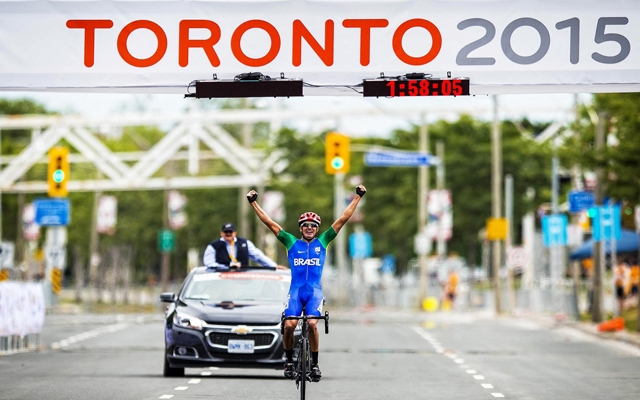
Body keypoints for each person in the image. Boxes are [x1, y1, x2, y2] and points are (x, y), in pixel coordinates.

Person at [246, 185, 367, 382]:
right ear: (300, 228)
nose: (309, 228)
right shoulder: (291, 242)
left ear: (317, 229)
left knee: (312, 324)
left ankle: (315, 364)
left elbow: (343, 219)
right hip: (295, 291)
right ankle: (288, 361)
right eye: (305, 225)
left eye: (312, 225)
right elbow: (269, 222)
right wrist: (253, 203)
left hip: (314, 292)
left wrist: (357, 197)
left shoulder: (324, 241)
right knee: (289, 326)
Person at [202, 223, 286, 270]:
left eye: (230, 232)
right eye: (225, 232)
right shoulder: (214, 246)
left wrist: (274, 266)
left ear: (235, 233)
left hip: (242, 278)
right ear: (221, 233)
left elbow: (258, 256)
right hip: (220, 278)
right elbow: (209, 263)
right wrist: (227, 267)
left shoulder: (245, 243)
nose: (228, 234)